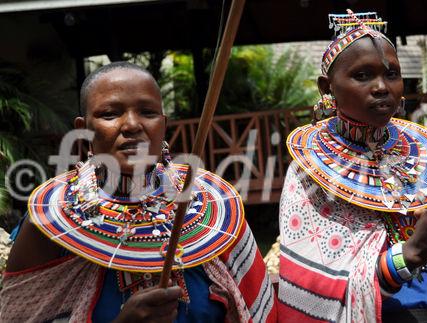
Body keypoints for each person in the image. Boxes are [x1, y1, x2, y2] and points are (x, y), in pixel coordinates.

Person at [1, 62, 277, 322]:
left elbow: (259, 311)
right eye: (110, 114)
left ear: (163, 124)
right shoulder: (53, 221)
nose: (132, 125)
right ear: (83, 130)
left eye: (147, 112)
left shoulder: (213, 211)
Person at [278, 10, 427, 323]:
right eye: (363, 75)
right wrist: (408, 255)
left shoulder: (425, 158)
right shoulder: (308, 172)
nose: (382, 86)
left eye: (391, 74)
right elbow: (315, 288)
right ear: (327, 88)